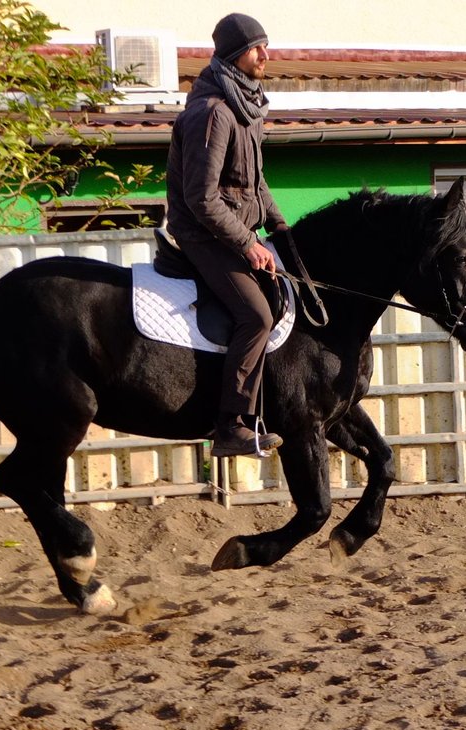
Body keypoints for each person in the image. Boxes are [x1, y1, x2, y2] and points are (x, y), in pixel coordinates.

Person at [165, 12, 287, 458]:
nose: (266, 55)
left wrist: (279, 225)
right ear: (237, 54)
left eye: (265, 45)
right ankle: (230, 425)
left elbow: (255, 183)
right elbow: (202, 198)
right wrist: (248, 243)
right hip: (203, 236)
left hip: (234, 230)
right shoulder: (213, 112)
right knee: (255, 316)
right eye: (258, 48)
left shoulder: (247, 106)